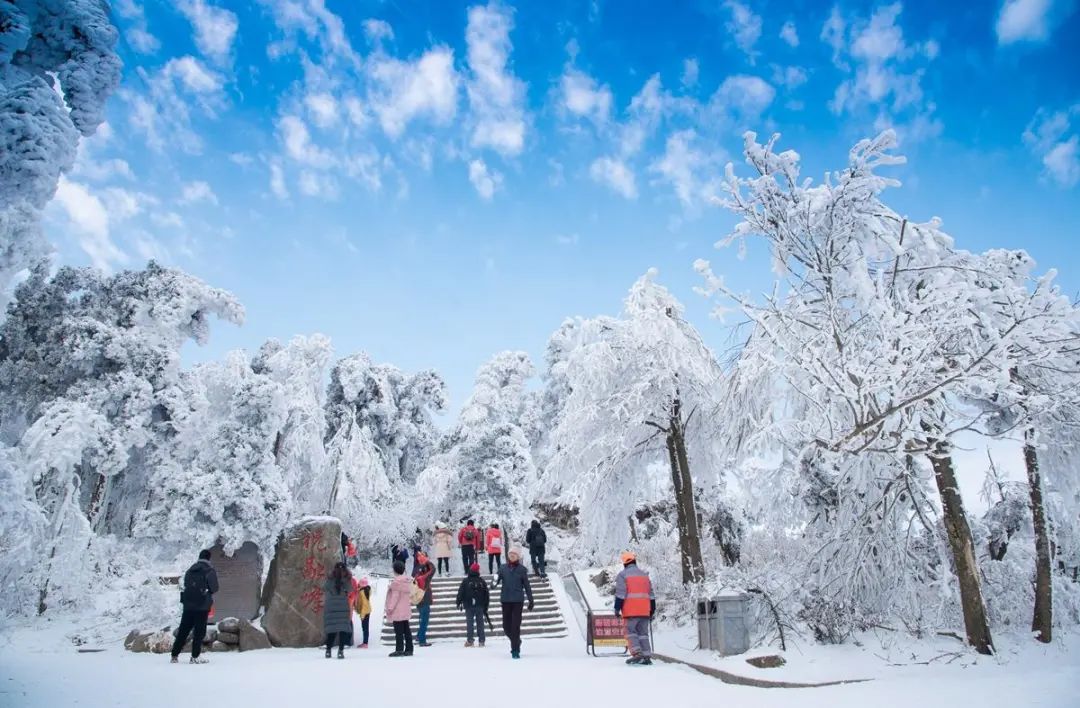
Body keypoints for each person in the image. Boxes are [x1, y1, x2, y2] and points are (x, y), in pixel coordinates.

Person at [170, 549, 220, 664]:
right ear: (209, 558)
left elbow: (186, 585)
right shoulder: (209, 571)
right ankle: (195, 656)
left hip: (188, 605)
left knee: (183, 630)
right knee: (199, 632)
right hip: (202, 606)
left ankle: (174, 655)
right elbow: (215, 588)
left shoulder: (190, 570)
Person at [614, 551, 655, 666]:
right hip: (645, 611)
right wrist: (652, 609)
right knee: (643, 633)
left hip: (630, 611)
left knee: (631, 632)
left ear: (624, 563)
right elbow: (651, 594)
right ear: (634, 561)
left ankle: (637, 654)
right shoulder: (644, 575)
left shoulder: (623, 575)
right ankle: (646, 656)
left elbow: (620, 594)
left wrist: (617, 608)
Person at [493, 547, 533, 659]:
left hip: (517, 601)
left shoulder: (522, 570)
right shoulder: (502, 568)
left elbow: (527, 586)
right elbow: (496, 580)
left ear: (518, 556)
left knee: (515, 626)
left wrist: (531, 599)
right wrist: (493, 583)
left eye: (514, 554)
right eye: (510, 554)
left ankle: (515, 650)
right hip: (505, 600)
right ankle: (517, 641)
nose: (511, 555)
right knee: (506, 627)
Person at [323, 562, 353, 659]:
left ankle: (328, 650)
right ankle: (340, 651)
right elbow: (350, 589)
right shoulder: (347, 579)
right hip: (343, 606)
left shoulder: (330, 578)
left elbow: (325, 587)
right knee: (343, 629)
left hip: (331, 606)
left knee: (332, 629)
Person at [456, 562, 490, 647]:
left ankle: (470, 641)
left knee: (470, 623)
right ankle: (481, 641)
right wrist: (486, 606)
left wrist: (458, 602)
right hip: (480, 605)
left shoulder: (466, 581)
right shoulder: (481, 581)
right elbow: (486, 594)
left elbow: (460, 592)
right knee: (480, 623)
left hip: (468, 605)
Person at [385, 560, 414, 657]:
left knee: (399, 632)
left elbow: (395, 597)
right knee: (406, 630)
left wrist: (390, 608)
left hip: (397, 610)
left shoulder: (397, 582)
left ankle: (399, 649)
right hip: (405, 609)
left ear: (395, 570)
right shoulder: (407, 581)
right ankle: (409, 649)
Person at [412, 551, 436, 647]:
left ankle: (418, 636)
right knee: (424, 620)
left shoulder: (416, 569)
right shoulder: (425, 573)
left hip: (418, 597)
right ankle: (422, 639)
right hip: (424, 597)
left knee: (421, 618)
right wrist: (427, 562)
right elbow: (433, 570)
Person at [352, 577, 372, 648]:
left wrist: (362, 615)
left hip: (365, 612)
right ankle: (365, 642)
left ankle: (365, 643)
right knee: (365, 627)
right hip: (367, 611)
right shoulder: (366, 590)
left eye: (359, 584)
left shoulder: (362, 592)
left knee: (365, 628)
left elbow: (364, 604)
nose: (358, 585)